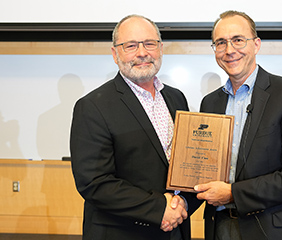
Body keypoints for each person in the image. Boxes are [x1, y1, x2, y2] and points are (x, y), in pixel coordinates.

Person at [194, 10, 282, 240]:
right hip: (221, 227)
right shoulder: (210, 102)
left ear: (256, 44)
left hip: (273, 230)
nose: (230, 50)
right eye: (221, 43)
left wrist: (234, 194)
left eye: (238, 40)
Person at [70, 14, 198, 240]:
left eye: (149, 44)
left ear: (160, 48)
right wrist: (160, 209)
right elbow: (95, 183)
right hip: (122, 233)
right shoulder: (92, 106)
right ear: (115, 53)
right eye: (131, 46)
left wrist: (182, 203)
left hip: (175, 230)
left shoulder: (176, 99)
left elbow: (185, 165)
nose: (142, 53)